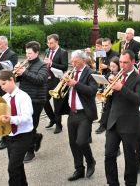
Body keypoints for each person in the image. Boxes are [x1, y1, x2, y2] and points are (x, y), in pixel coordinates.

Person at [104, 50, 140, 186]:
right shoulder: (116, 75)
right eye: (120, 62)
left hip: (129, 123)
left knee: (130, 158)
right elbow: (112, 100)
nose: (122, 65)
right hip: (113, 122)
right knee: (109, 155)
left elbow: (138, 99)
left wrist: (121, 87)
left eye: (125, 62)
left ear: (133, 62)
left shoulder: (139, 79)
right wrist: (107, 90)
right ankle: (112, 183)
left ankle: (130, 183)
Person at [57, 50, 98, 181]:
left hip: (85, 113)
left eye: (75, 61)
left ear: (83, 61)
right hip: (72, 112)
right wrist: (63, 83)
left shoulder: (91, 73)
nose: (73, 63)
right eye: (72, 61)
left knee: (81, 141)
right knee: (73, 143)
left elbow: (92, 91)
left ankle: (90, 161)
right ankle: (79, 169)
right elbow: (66, 91)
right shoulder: (72, 72)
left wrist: (76, 84)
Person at [0, 70, 34, 186]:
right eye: (0, 85)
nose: (2, 87)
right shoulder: (4, 98)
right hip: (10, 136)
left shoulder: (23, 96)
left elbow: (27, 117)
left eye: (4, 84)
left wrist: (11, 119)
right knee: (18, 166)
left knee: (12, 168)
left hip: (23, 136)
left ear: (12, 80)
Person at [15, 41, 49, 163]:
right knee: (25, 124)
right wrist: (17, 74)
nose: (27, 55)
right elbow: (21, 79)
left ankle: (30, 152)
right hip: (24, 99)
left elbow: (40, 80)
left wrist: (24, 72)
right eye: (26, 53)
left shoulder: (43, 66)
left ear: (37, 53)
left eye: (29, 53)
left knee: (30, 126)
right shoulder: (27, 64)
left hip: (36, 100)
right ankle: (36, 137)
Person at [44, 34, 69, 134]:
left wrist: (51, 63)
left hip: (57, 81)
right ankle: (52, 119)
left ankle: (59, 125)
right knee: (44, 101)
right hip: (48, 80)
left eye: (51, 43)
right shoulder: (47, 51)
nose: (49, 45)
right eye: (48, 43)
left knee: (57, 104)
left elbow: (65, 67)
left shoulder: (63, 52)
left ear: (57, 42)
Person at [96, 57, 120, 134]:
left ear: (118, 66)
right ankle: (102, 125)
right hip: (108, 95)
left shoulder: (120, 74)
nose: (112, 68)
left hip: (115, 96)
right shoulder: (109, 73)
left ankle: (109, 125)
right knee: (105, 109)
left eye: (114, 67)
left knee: (111, 111)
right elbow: (104, 81)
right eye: (111, 66)